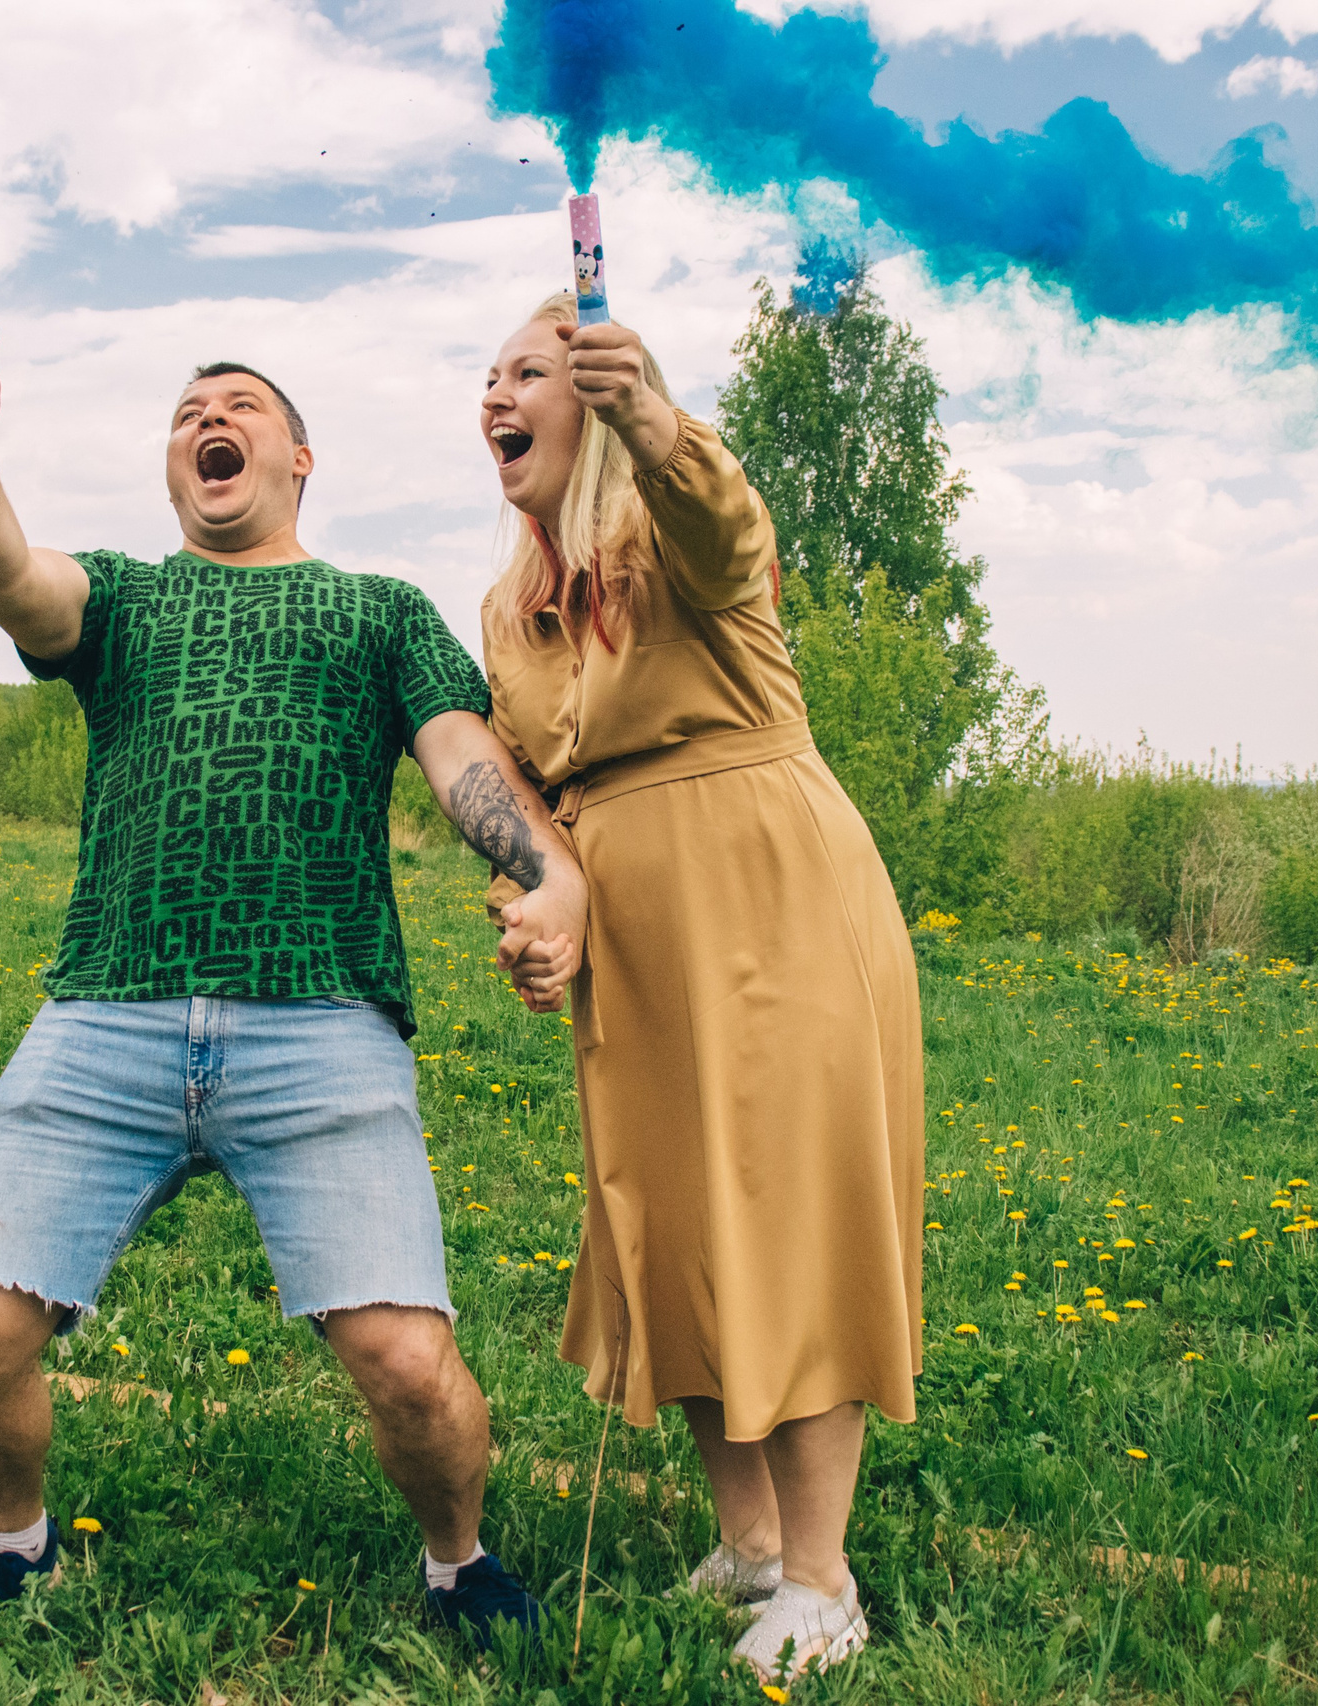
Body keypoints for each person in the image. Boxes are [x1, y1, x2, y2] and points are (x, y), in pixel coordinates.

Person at [0, 313, 588, 1650]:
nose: (207, 418)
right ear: (177, 471)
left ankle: (461, 1563)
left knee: (408, 1365)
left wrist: (552, 876)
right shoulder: (124, 600)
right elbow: (5, 575)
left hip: (320, 1023)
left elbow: (463, 761)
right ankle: (12, 1548)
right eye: (185, 412)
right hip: (109, 1006)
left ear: (298, 457)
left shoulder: (378, 610)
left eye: (237, 403)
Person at [474, 292, 925, 1683]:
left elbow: (732, 534)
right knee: (672, 1229)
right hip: (642, 945)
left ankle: (823, 1576)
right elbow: (529, 790)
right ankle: (744, 1538)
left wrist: (658, 428)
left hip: (773, 899)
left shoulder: (672, 529)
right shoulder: (513, 605)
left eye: (532, 370)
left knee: (787, 1218)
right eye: (489, 377)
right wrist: (543, 904)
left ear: (602, 397)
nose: (498, 394)